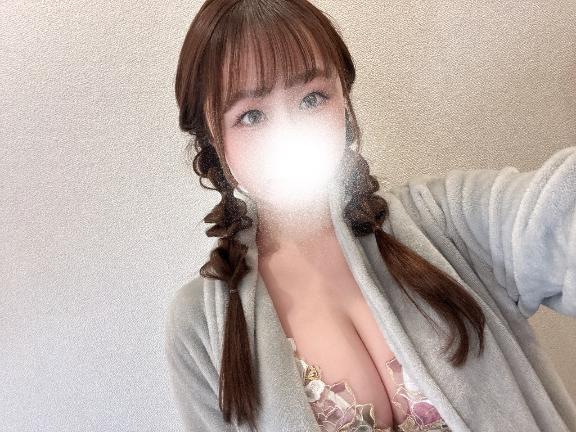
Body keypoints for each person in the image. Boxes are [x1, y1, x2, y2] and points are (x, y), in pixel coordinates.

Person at [165, 1, 576, 431]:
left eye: (311, 98)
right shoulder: (201, 326)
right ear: (212, 138)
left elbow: (552, 214)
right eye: (251, 115)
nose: (289, 132)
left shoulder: (446, 220)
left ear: (343, 100)